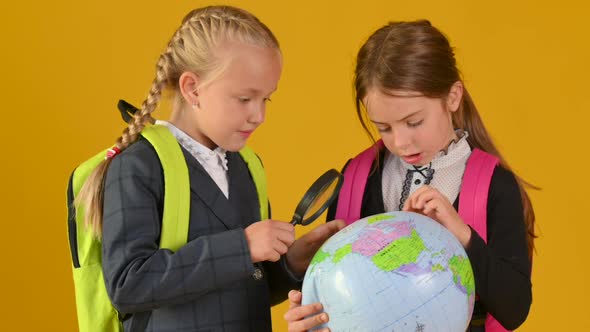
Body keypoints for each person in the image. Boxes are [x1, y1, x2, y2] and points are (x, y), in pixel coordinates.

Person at [75, 5, 344, 331]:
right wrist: (242, 246)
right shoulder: (138, 166)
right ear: (192, 89)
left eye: (266, 100)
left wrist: (291, 263)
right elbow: (128, 284)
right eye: (245, 99)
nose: (258, 115)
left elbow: (245, 286)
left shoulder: (247, 167)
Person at [284, 20, 534, 332]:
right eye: (384, 128)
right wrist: (312, 317)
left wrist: (463, 235)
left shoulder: (495, 187)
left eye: (413, 122)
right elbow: (341, 296)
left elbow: (515, 308)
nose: (400, 142)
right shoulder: (358, 179)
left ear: (453, 97)